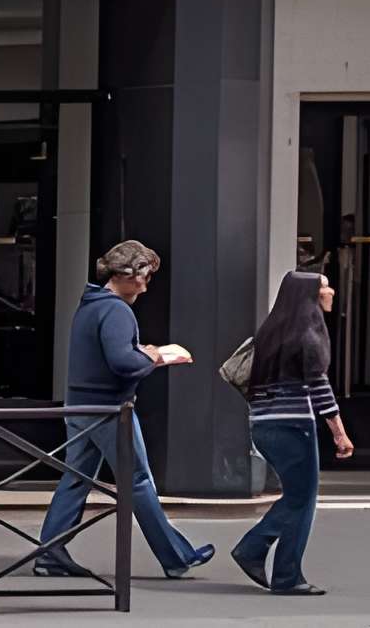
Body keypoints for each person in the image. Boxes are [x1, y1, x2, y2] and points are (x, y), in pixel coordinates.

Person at [33, 239, 214, 581]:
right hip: (108, 409)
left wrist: (141, 352)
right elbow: (122, 363)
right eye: (145, 276)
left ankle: (50, 553)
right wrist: (155, 357)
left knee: (76, 479)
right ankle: (176, 557)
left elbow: (111, 356)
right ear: (126, 275)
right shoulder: (116, 310)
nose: (146, 286)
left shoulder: (91, 304)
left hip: (81, 404)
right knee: (138, 480)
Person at [231, 269, 351, 598]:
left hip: (264, 425)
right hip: (294, 426)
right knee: (303, 499)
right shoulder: (309, 335)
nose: (331, 292)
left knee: (296, 497)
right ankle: (283, 574)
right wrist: (339, 433)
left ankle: (255, 550)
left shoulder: (272, 333)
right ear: (309, 296)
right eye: (324, 287)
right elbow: (320, 388)